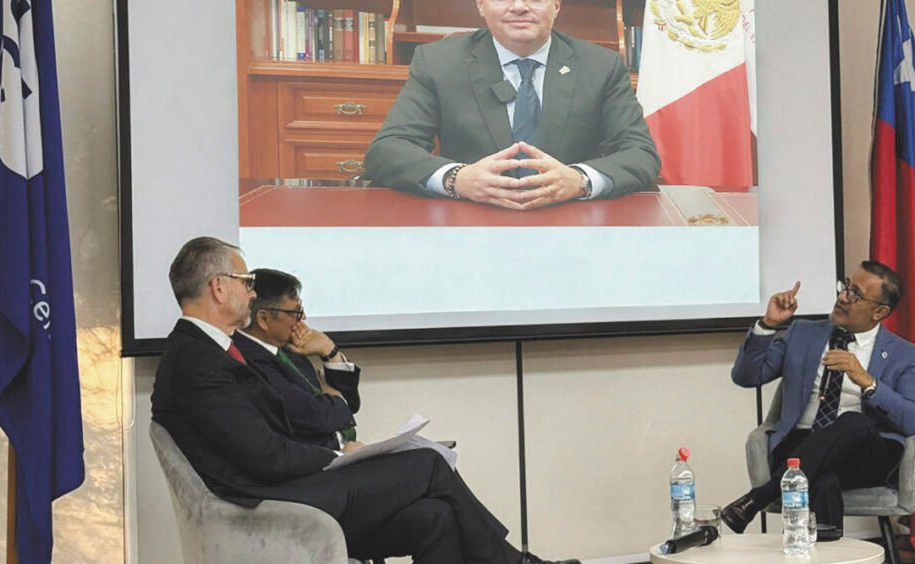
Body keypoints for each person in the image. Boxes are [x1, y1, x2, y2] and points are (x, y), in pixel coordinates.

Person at [151, 236, 577, 564]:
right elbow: (265, 457)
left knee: (435, 515)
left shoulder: (211, 351)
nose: (250, 292)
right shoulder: (197, 361)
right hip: (264, 501)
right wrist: (340, 457)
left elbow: (275, 432)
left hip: (285, 484)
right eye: (246, 283)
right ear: (218, 287)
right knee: (428, 463)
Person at [365, 0, 660, 211]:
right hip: (470, 220)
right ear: (480, 5)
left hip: (570, 221)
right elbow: (388, 149)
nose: (519, 6)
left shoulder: (601, 66)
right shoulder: (438, 62)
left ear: (557, 5)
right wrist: (457, 179)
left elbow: (640, 154)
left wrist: (579, 180)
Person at [720, 261, 915, 533]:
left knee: (854, 422)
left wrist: (868, 381)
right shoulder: (802, 333)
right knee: (823, 480)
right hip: (800, 445)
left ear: (879, 312)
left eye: (856, 294)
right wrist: (767, 325)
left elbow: (912, 421)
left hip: (864, 455)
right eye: (846, 287)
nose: (843, 297)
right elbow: (746, 377)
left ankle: (758, 497)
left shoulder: (905, 355)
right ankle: (823, 552)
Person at [232, 268, 360, 450]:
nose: (303, 318)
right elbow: (313, 416)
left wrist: (328, 350)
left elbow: (351, 405)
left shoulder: (289, 349)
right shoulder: (247, 359)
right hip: (322, 458)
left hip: (347, 448)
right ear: (263, 319)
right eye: (296, 312)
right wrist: (338, 399)